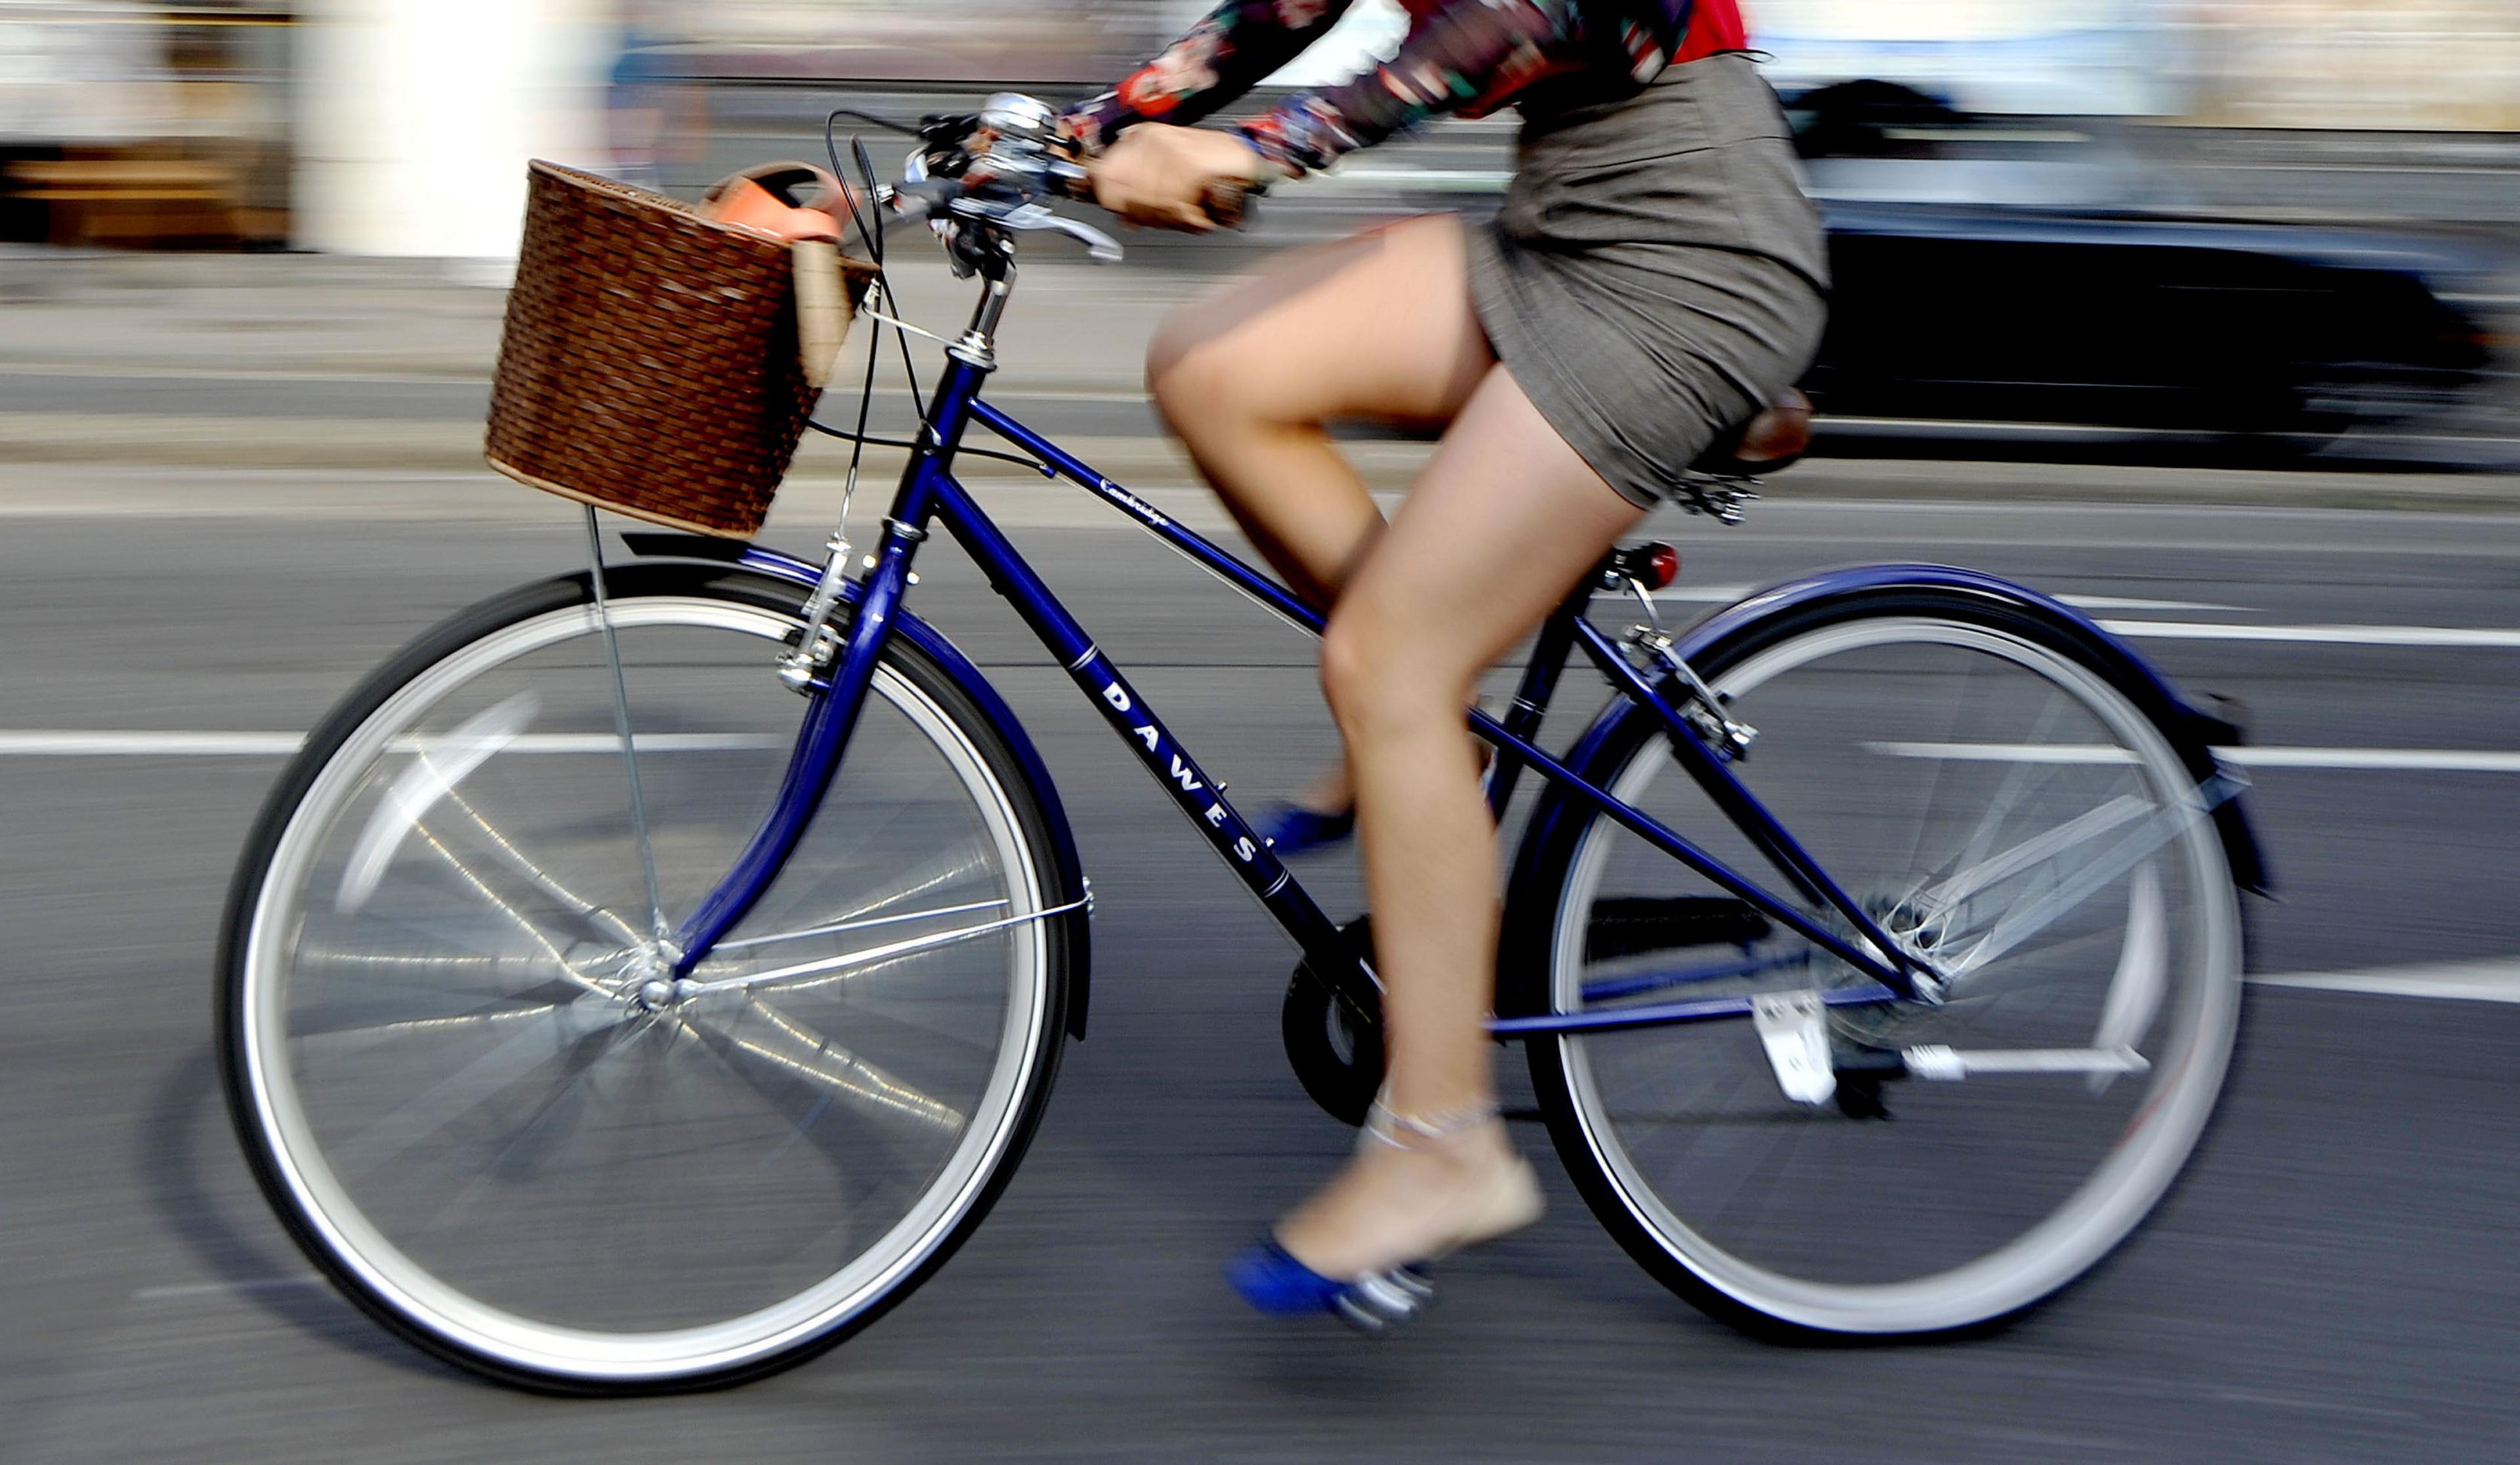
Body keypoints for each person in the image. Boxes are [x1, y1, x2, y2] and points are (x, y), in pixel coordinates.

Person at [1061, 0, 1830, 1327]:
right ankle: (1437, 750)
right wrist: (1079, 136)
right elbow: (1275, 16)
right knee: (1211, 363)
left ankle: (1444, 1141)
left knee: (1389, 667)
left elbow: (1530, 15)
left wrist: (1260, 152)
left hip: (1687, 262)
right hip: (1564, 229)